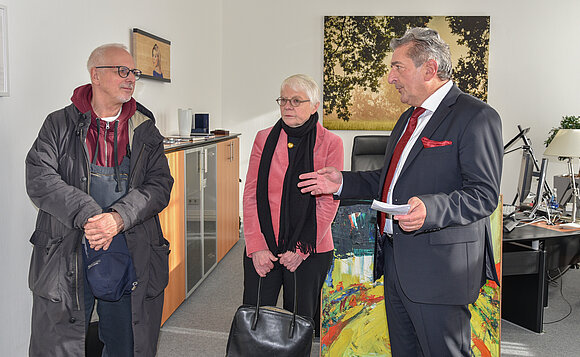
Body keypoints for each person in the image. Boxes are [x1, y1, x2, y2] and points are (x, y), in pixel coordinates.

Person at [298, 28, 502, 356]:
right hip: (396, 264)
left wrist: (432, 209)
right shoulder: (408, 118)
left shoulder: (476, 116)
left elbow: (484, 194)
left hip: (439, 271)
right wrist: (341, 183)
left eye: (398, 67)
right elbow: (389, 181)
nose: (391, 77)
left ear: (430, 69)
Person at [26, 43, 173, 356]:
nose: (131, 78)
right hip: (68, 249)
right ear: (95, 75)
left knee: (125, 341)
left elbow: (160, 185)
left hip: (128, 247)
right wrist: (92, 216)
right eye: (122, 70)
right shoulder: (58, 124)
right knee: (63, 341)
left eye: (134, 72)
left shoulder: (145, 127)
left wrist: (117, 218)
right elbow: (40, 178)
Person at [242, 74, 343, 336]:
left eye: (296, 100)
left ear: (314, 105)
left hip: (310, 248)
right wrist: (257, 246)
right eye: (283, 100)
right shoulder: (264, 139)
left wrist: (302, 248)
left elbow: (327, 201)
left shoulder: (331, 143)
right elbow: (252, 193)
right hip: (264, 245)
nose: (288, 106)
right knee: (253, 321)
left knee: (298, 325)